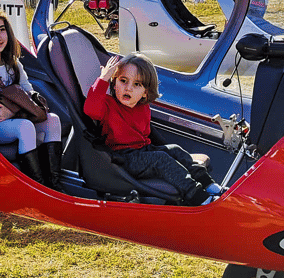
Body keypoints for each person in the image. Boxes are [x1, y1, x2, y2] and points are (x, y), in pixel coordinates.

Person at [83, 54, 222, 205]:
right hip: (122, 157)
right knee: (161, 160)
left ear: (145, 93)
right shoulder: (108, 105)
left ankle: (207, 183)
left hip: (142, 150)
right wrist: (103, 79)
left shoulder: (142, 107)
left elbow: (144, 135)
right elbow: (91, 109)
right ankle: (196, 195)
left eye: (137, 84)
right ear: (114, 83)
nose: (128, 87)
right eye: (123, 81)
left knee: (174, 149)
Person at [0, 5, 64, 191]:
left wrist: (12, 110)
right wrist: (17, 109)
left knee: (53, 120)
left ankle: (54, 185)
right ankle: (37, 188)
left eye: (2, 30)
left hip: (12, 119)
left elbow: (30, 94)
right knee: (25, 127)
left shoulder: (13, 64)